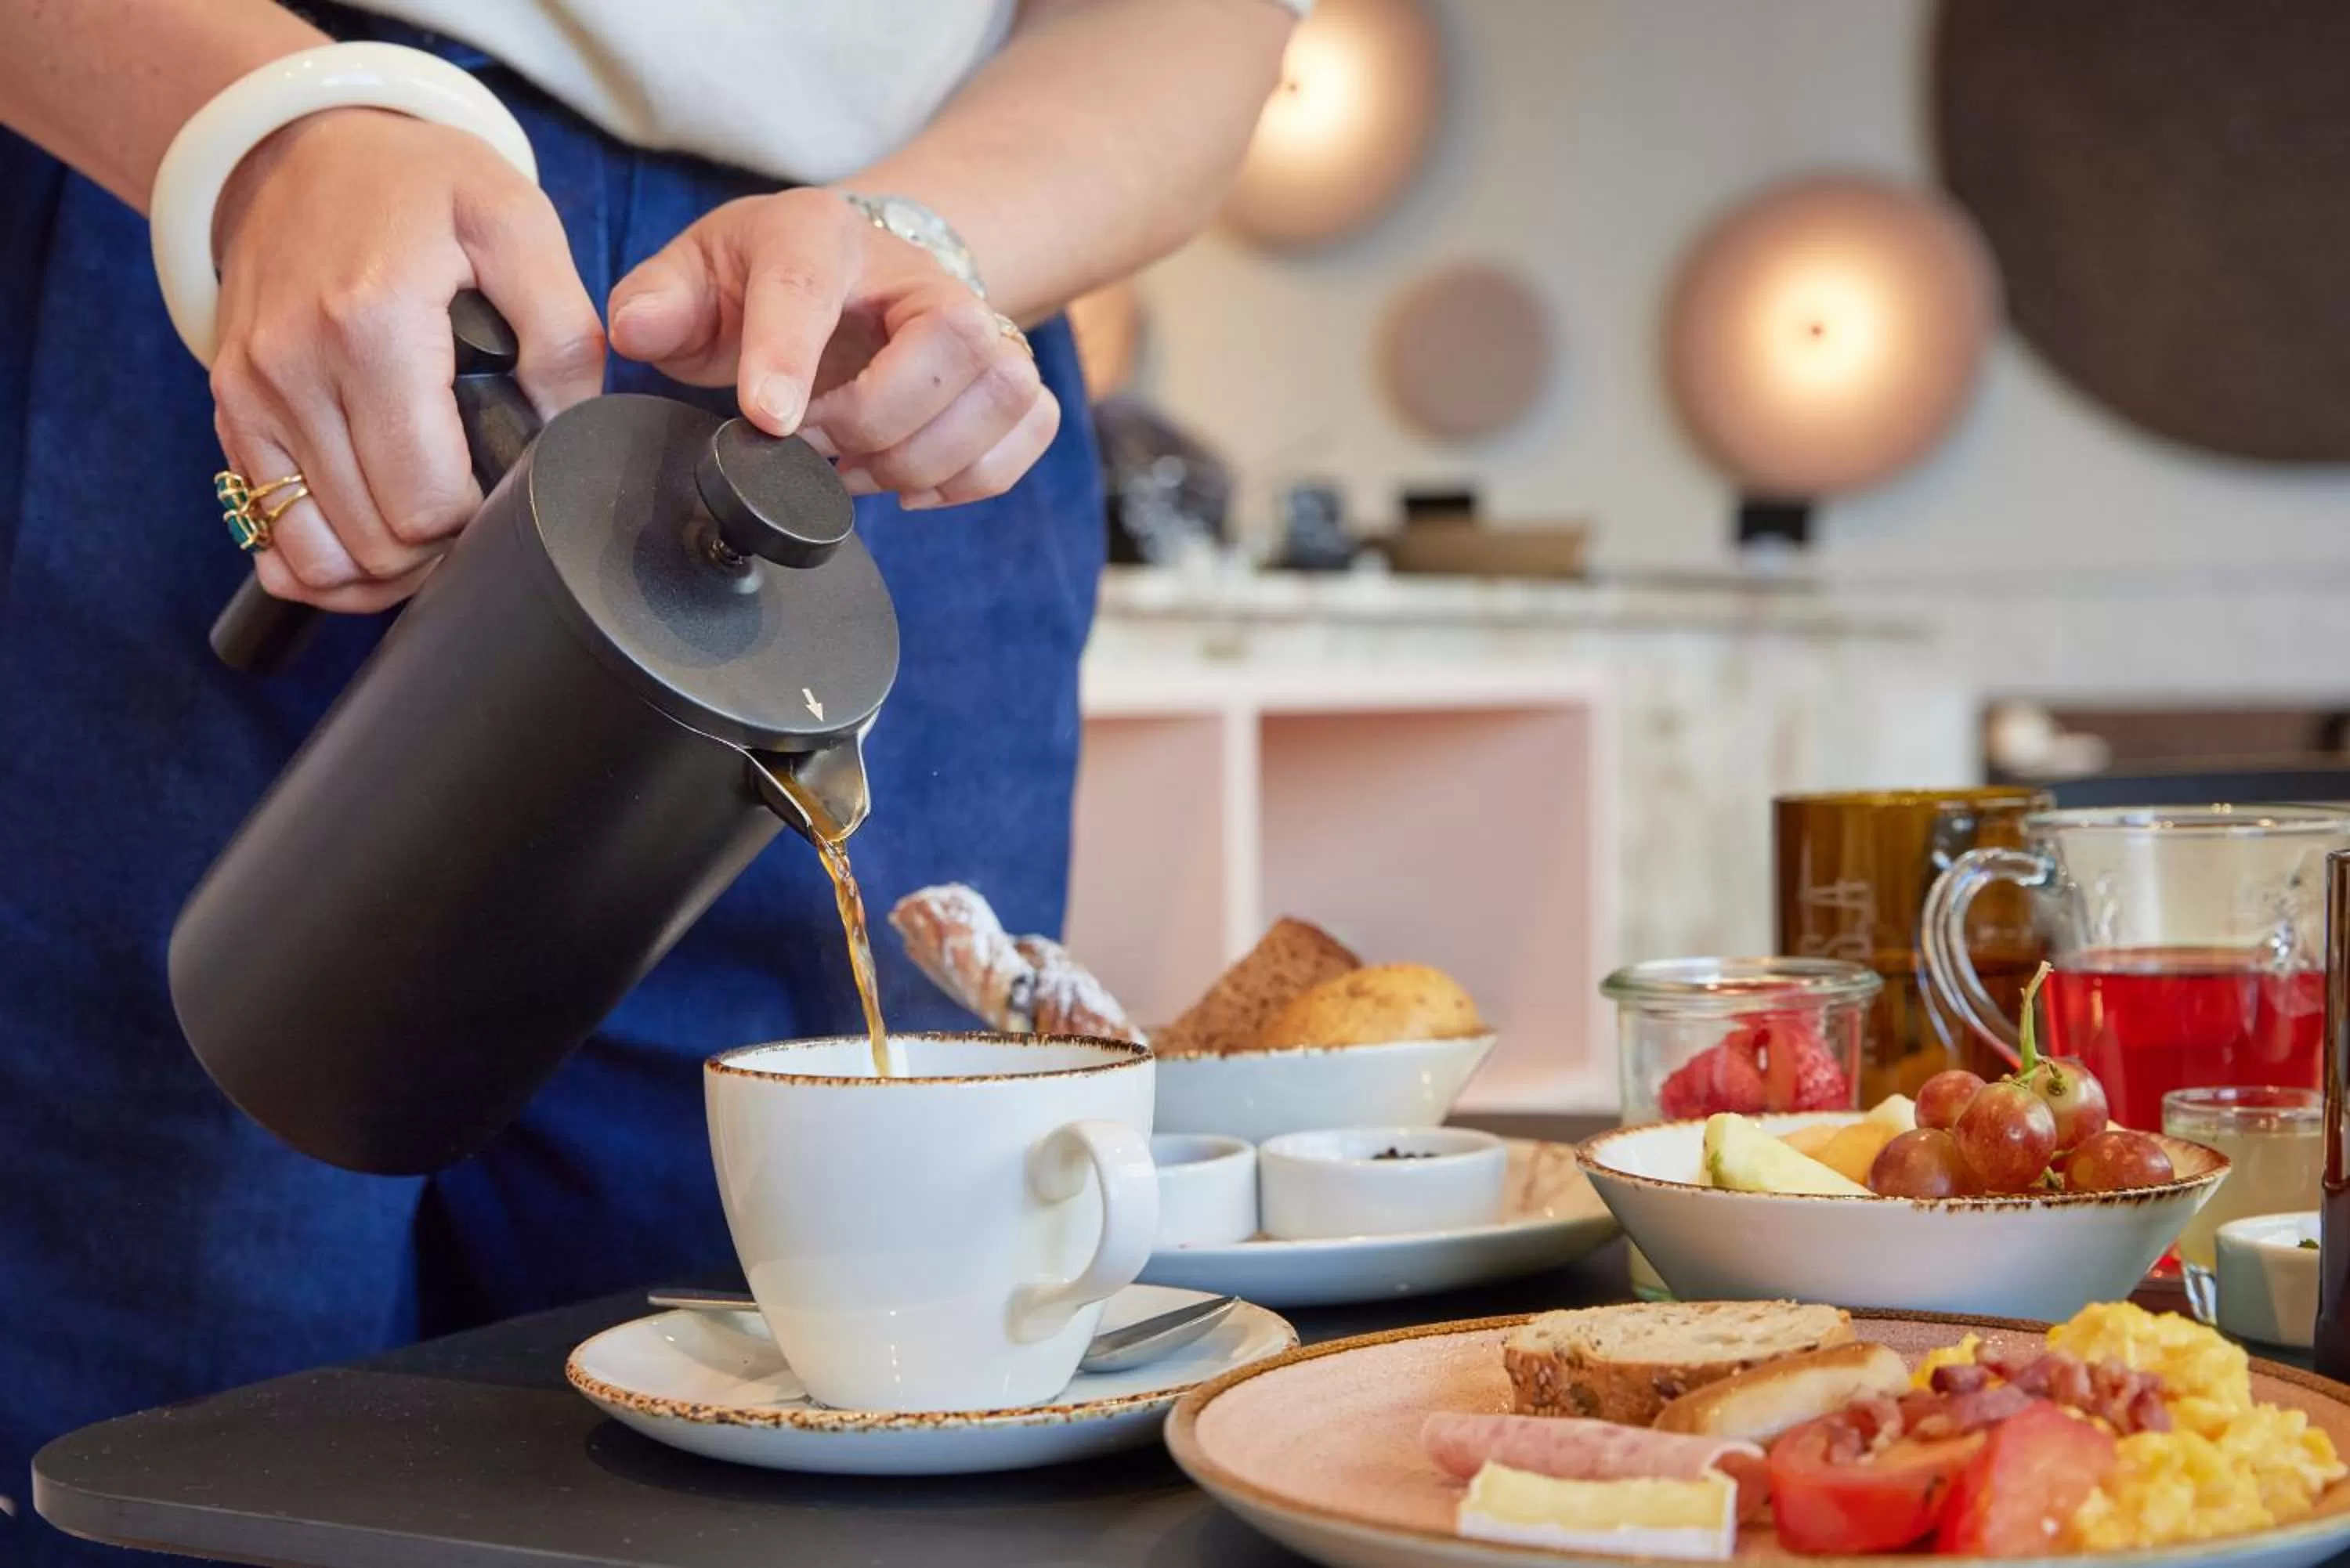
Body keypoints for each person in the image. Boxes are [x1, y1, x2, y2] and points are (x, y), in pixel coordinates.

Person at [0, 2, 1296, 1559]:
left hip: (873, 367)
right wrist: (266, 129)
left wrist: (928, 241)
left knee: (852, 1454)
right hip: (262, 218)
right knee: (167, 1443)